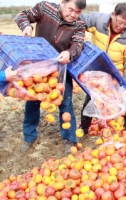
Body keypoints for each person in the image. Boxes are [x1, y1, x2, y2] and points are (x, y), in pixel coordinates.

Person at [15, 0, 87, 154]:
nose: (73, 15)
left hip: (60, 68)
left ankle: (69, 139)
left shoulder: (79, 24)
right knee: (32, 103)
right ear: (62, 3)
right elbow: (21, 15)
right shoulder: (45, 8)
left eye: (78, 12)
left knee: (65, 104)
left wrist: (69, 53)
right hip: (38, 67)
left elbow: (78, 45)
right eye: (71, 9)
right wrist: (26, 26)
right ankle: (29, 137)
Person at [79, 3, 126, 139]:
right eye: (120, 22)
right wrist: (78, 35)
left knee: (124, 100)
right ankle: (83, 129)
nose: (121, 26)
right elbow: (79, 19)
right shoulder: (98, 20)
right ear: (113, 14)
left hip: (116, 74)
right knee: (92, 97)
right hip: (97, 71)